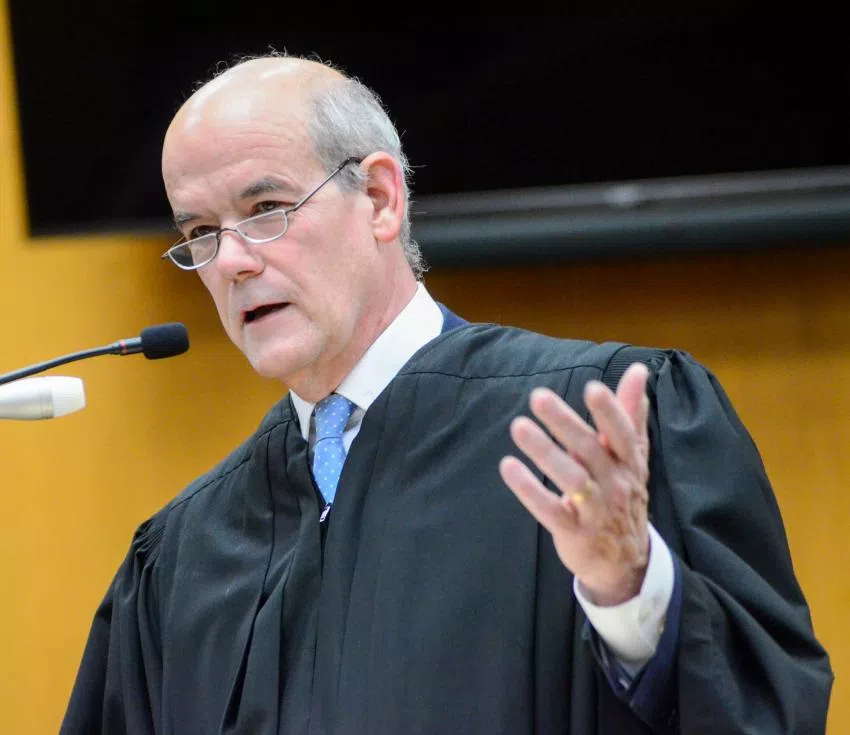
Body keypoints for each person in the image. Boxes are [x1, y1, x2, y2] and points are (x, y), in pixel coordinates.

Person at [60, 55, 832, 734]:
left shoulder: (597, 432)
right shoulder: (181, 556)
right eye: (200, 231)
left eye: (267, 210)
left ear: (380, 198)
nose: (230, 261)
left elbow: (764, 710)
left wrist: (632, 589)